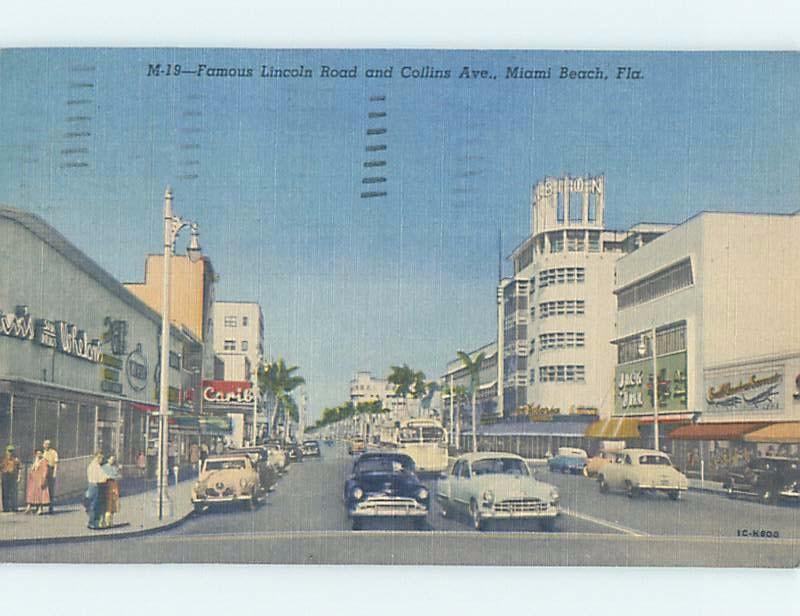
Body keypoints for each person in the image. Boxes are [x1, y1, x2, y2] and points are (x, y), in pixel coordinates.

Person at [85, 452, 107, 529]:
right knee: (94, 505)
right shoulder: (95, 466)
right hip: (95, 486)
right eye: (101, 458)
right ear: (98, 457)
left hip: (92, 485)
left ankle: (94, 523)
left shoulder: (93, 465)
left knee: (94, 505)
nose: (102, 460)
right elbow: (100, 478)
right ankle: (92, 523)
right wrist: (106, 478)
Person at [24, 449, 50, 515]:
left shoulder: (44, 461)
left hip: (40, 479)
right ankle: (29, 507)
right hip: (34, 480)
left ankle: (40, 509)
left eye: (40, 453)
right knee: (33, 494)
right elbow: (33, 469)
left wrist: (43, 479)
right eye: (37, 453)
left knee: (40, 494)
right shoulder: (35, 460)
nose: (39, 454)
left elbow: (45, 471)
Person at [101, 455, 121, 528]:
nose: (112, 461)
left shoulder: (115, 467)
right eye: (111, 459)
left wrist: (119, 472)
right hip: (107, 485)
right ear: (108, 459)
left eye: (113, 459)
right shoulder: (104, 467)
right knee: (107, 504)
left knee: (114, 504)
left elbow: (119, 476)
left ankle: (111, 522)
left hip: (114, 486)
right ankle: (106, 521)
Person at [1, 445, 22, 512]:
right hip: (5, 476)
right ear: (6, 451)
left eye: (11, 451)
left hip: (13, 477)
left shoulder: (16, 459)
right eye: (9, 451)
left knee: (14, 493)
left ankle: (14, 507)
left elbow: (20, 468)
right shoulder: (3, 459)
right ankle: (6, 508)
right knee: (5, 493)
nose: (10, 452)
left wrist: (19, 477)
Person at [42, 439, 58, 513]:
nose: (46, 445)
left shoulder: (53, 452)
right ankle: (40, 507)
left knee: (51, 489)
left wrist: (54, 472)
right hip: (43, 471)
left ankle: (51, 507)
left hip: (50, 470)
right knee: (42, 488)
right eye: (45, 444)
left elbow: (56, 463)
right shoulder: (42, 453)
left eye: (48, 444)